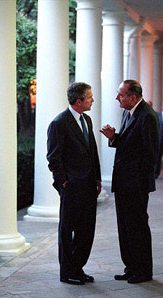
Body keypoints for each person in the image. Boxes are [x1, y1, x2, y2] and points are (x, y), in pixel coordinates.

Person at [100, 80, 159, 284]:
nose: (117, 98)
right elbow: (130, 145)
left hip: (135, 184)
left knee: (138, 228)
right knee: (125, 227)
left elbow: (150, 154)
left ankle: (143, 271)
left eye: (121, 95)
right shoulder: (128, 112)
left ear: (133, 97)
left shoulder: (147, 116)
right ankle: (131, 267)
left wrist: (137, 183)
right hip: (124, 183)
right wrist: (113, 137)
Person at [47, 82, 101, 285]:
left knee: (86, 230)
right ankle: (67, 272)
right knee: (67, 231)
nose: (92, 100)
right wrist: (63, 184)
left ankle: (78, 268)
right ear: (79, 101)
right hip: (71, 187)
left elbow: (92, 151)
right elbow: (54, 157)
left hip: (88, 185)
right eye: (90, 97)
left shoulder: (86, 119)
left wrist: (96, 178)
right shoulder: (59, 123)